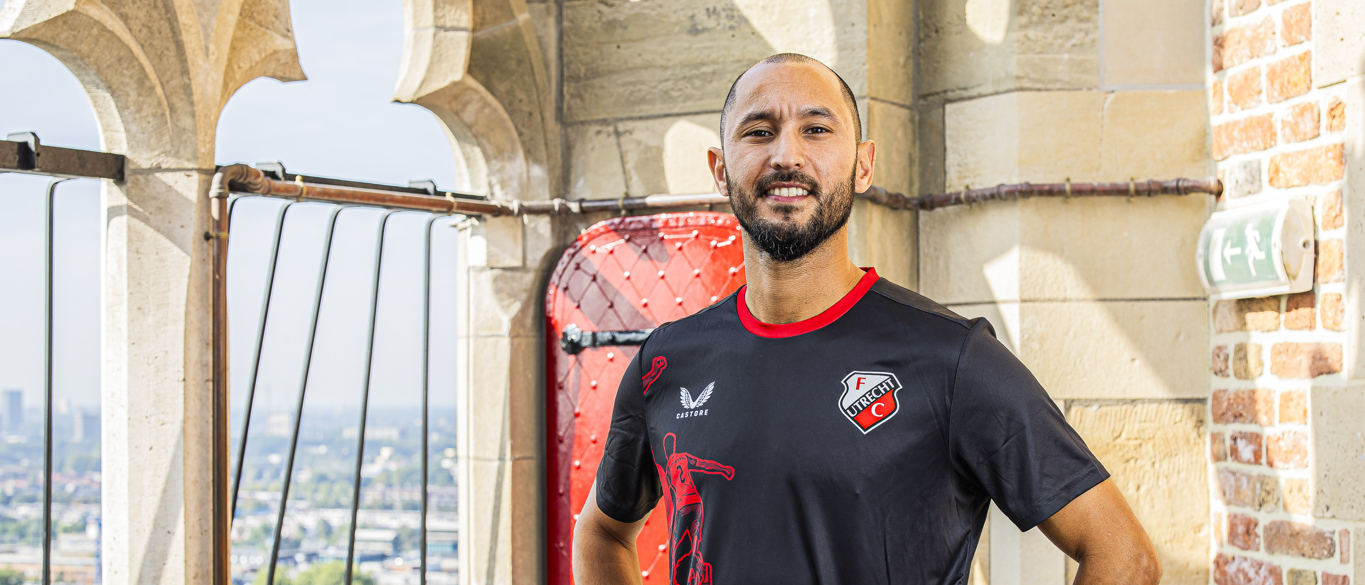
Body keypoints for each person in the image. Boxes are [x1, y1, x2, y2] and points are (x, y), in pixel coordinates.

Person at [572, 53, 1161, 585]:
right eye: (759, 131)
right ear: (720, 169)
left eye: (817, 129)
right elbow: (601, 534)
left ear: (863, 165)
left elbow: (1123, 556)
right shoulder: (667, 362)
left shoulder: (952, 359)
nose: (786, 155)